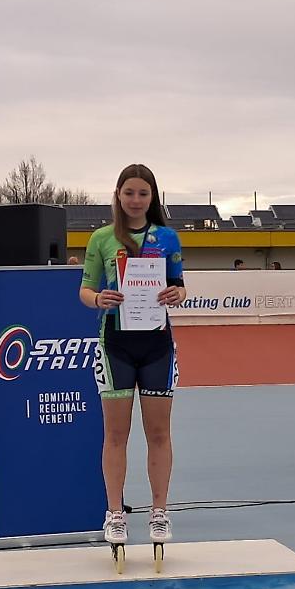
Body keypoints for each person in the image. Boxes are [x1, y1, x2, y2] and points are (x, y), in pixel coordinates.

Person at [79, 164, 186, 567]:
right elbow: (86, 289)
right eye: (129, 193)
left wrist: (177, 294)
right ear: (118, 195)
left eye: (143, 193)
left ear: (152, 197)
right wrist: (98, 299)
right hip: (116, 345)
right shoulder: (102, 239)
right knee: (115, 434)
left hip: (158, 344)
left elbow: (179, 283)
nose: (136, 200)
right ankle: (115, 514)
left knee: (159, 432)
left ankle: (159, 512)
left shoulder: (168, 237)